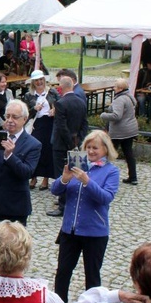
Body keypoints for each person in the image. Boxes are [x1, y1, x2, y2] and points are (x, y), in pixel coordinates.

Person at [51, 130, 120, 303]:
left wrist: (87, 182)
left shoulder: (111, 171)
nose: (90, 151)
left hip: (94, 232)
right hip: (70, 230)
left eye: (95, 148)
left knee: (92, 275)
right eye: (88, 147)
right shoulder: (77, 165)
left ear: (105, 149)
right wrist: (65, 179)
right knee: (63, 271)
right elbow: (55, 190)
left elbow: (106, 197)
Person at [0, 100, 41, 272]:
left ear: (24, 119)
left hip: (15, 205)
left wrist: (10, 156)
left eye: (15, 117)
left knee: (14, 250)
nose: (10, 120)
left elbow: (27, 173)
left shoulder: (33, 144)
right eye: (8, 116)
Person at [47, 76, 88, 217]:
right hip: (77, 143)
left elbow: (61, 127)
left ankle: (63, 206)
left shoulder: (60, 103)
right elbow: (84, 124)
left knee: (62, 175)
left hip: (61, 145)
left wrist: (70, 143)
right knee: (76, 173)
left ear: (61, 87)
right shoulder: (81, 102)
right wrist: (79, 141)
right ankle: (72, 201)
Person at [24, 70, 59, 190]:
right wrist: (34, 109)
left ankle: (46, 178)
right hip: (36, 124)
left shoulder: (52, 92)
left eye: (41, 80)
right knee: (34, 149)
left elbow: (60, 105)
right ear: (33, 83)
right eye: (36, 81)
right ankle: (33, 177)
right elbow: (25, 112)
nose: (39, 82)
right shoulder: (29, 95)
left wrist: (55, 111)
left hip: (49, 123)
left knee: (47, 150)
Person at [100, 78, 139, 185]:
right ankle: (133, 177)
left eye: (115, 86)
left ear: (121, 88)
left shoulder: (119, 99)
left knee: (108, 154)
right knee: (129, 154)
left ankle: (102, 176)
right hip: (130, 129)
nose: (114, 88)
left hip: (119, 131)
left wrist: (103, 115)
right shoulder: (130, 97)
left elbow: (117, 116)